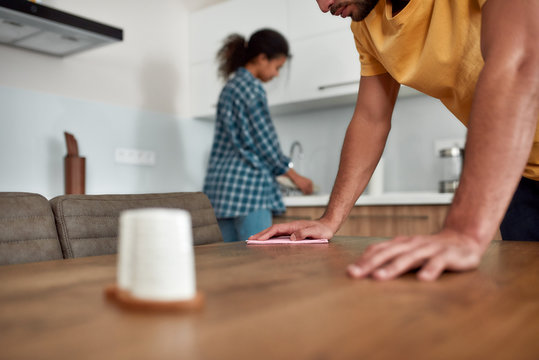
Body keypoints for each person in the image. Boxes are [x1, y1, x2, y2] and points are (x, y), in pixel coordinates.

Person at [251, 0, 539, 280]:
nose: (323, 6)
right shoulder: (367, 25)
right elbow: (370, 120)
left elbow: (521, 61)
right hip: (519, 176)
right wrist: (329, 219)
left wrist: (464, 231)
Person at [203, 29, 314, 243]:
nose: (276, 74)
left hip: (220, 191)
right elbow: (265, 143)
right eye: (277, 67)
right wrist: (295, 176)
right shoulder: (252, 88)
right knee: (259, 261)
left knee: (226, 263)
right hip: (248, 190)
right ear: (262, 58)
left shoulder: (230, 87)